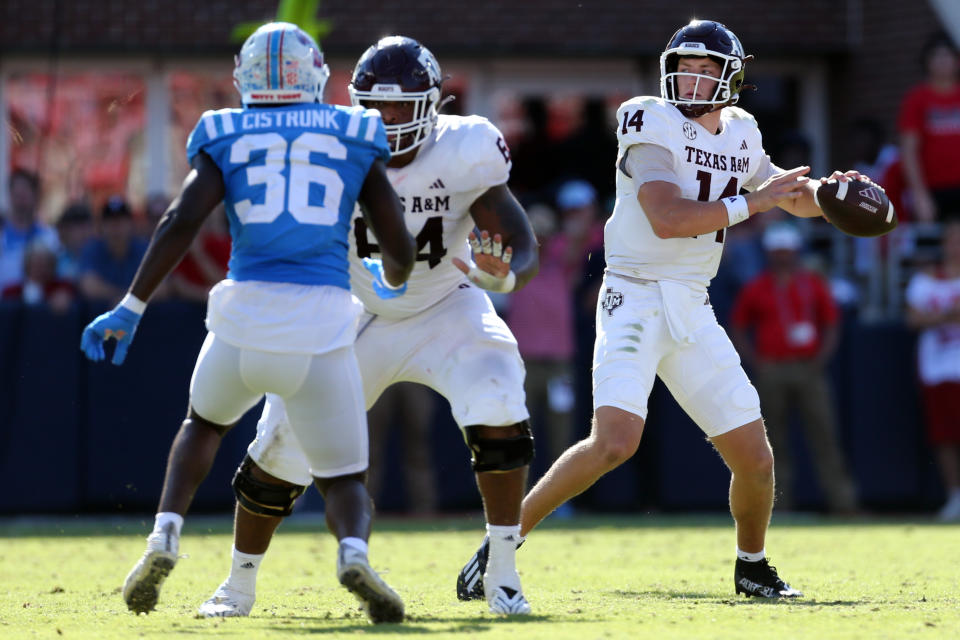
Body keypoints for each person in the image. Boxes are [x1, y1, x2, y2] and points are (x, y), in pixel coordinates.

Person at [457, 18, 880, 601]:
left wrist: (831, 195)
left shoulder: (741, 130)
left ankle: (752, 566)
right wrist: (751, 203)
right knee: (613, 442)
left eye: (706, 70)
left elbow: (786, 193)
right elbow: (667, 215)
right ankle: (501, 541)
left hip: (692, 303)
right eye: (685, 67)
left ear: (730, 79)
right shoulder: (647, 117)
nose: (691, 79)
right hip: (633, 294)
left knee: (756, 459)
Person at [78, 22, 415, 623]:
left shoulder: (225, 131)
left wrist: (131, 305)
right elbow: (395, 235)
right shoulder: (352, 130)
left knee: (202, 425)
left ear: (245, 79)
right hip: (320, 330)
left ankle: (164, 535)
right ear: (314, 77)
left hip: (241, 322)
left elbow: (181, 220)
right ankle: (353, 552)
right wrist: (394, 274)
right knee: (342, 478)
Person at [197, 35, 539, 619]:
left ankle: (503, 572)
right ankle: (238, 584)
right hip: (352, 311)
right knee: (280, 449)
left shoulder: (466, 148)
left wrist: (505, 278)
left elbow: (521, 241)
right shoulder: (328, 146)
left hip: (445, 303)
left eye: (401, 106)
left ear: (433, 104)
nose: (387, 120)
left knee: (499, 392)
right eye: (374, 106)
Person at [730, 223, 859, 513]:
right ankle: (779, 508)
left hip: (808, 368)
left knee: (825, 436)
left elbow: (831, 321)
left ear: (796, 252)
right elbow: (738, 325)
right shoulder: (757, 286)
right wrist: (755, 360)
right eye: (778, 252)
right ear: (769, 254)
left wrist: (821, 358)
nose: (783, 257)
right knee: (774, 441)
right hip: (772, 369)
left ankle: (844, 505)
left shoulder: (812, 282)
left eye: (787, 252)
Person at [905, 220, 960, 521]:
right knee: (944, 435)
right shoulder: (926, 280)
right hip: (937, 366)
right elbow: (913, 319)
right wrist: (946, 316)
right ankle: (955, 494)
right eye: (953, 240)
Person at [897, 31, 960, 223]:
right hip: (931, 190)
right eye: (937, 56)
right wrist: (919, 195)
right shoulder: (917, 99)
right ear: (927, 62)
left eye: (947, 56)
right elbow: (909, 150)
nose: (942, 62)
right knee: (928, 249)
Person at [78, 196, 152, 305]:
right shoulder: (92, 249)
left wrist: (125, 299)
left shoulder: (144, 248)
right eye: (110, 222)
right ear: (101, 226)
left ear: (131, 224)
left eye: (121, 221)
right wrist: (125, 298)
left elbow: (161, 287)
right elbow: (88, 286)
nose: (116, 228)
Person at [0, 169, 60, 290]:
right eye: (17, 194)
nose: (20, 200)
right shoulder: (2, 235)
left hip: (37, 306)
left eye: (25, 194)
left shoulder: (50, 237)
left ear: (35, 196)